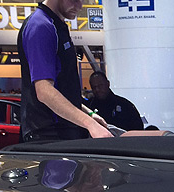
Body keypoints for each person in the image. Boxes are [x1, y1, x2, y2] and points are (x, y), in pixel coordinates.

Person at [17, 0, 110, 141]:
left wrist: (89, 114)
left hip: (63, 131)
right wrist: (89, 123)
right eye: (75, 0)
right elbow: (44, 91)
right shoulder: (40, 26)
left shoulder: (56, 25)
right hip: (48, 135)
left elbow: (63, 91)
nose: (80, 6)